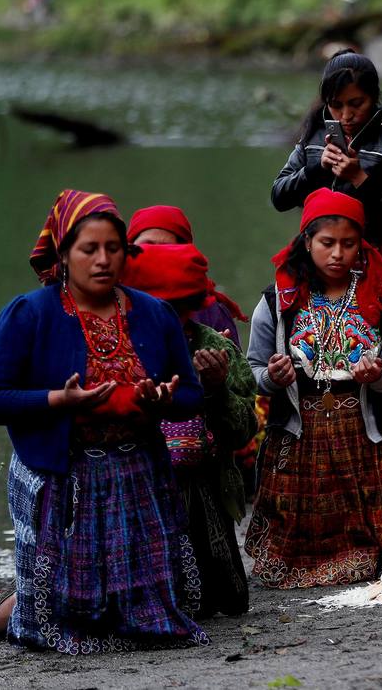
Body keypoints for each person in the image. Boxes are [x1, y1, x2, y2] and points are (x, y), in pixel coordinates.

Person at [0, 190, 207, 652]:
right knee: (64, 616)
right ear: (63, 254)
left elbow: (191, 396)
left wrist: (160, 401)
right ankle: (13, 609)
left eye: (113, 249)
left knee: (157, 616)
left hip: (137, 473)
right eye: (89, 250)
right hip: (67, 479)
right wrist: (58, 399)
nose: (103, 260)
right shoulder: (29, 315)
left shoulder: (153, 314)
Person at [245, 189, 382, 588]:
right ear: (306, 242)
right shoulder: (278, 301)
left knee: (361, 546)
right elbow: (251, 369)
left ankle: (358, 558)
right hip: (298, 431)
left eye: (348, 243)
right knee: (290, 541)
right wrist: (273, 377)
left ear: (362, 245)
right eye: (326, 243)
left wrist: (381, 378)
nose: (337, 253)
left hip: (360, 431)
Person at [121, 242, 257, 618]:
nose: (170, 319)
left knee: (228, 600)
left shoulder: (217, 347)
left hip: (204, 485)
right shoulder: (122, 346)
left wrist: (216, 388)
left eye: (179, 309)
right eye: (160, 308)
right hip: (138, 482)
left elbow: (244, 430)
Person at [270, 50, 382, 276]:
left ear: (373, 96)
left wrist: (359, 179)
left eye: (356, 103)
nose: (346, 115)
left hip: (372, 261)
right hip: (316, 260)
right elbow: (279, 197)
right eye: (336, 105)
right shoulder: (315, 132)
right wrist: (316, 169)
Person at [127, 204, 246, 340]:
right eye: (148, 245)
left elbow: (236, 359)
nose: (156, 254)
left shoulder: (209, 309)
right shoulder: (111, 300)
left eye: (167, 248)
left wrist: (217, 349)